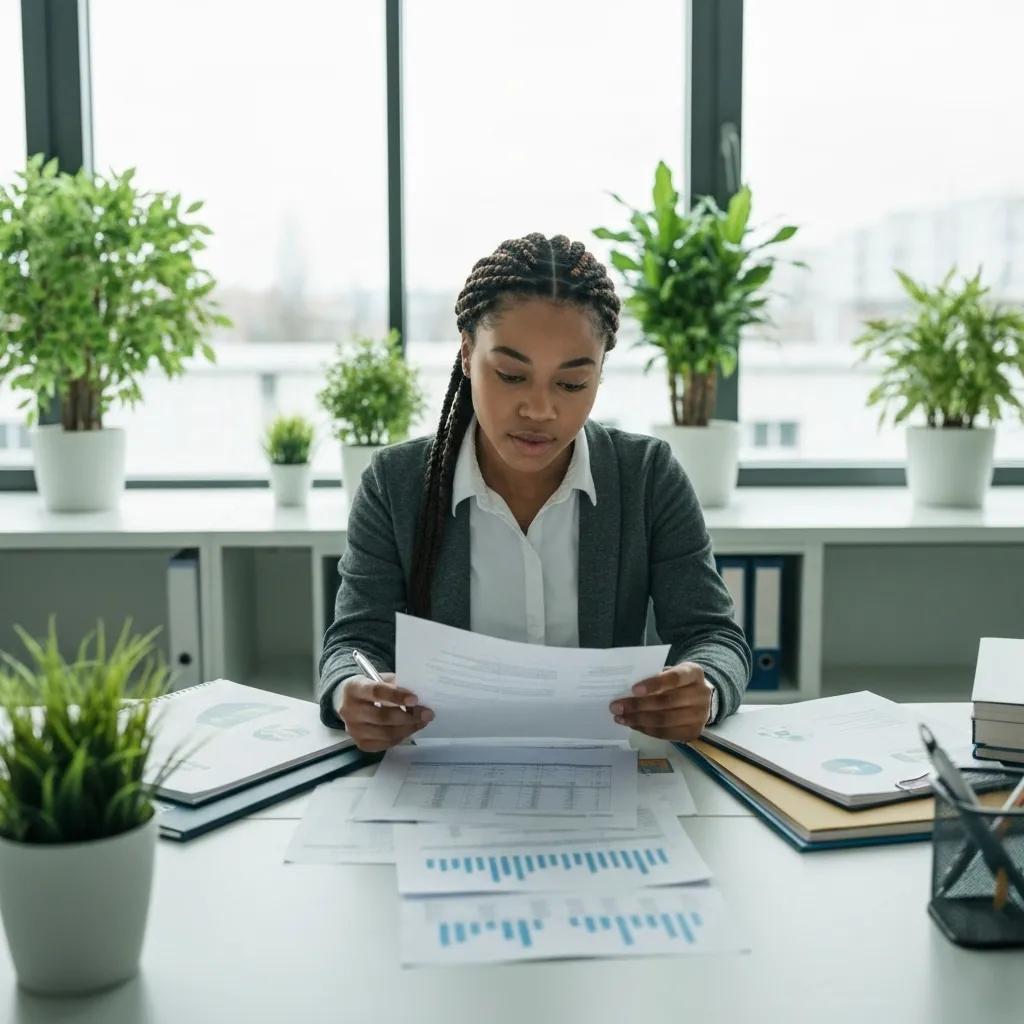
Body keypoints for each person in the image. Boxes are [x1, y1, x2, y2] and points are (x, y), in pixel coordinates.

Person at [318, 232, 751, 752]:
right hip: (439, 778)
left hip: (603, 778)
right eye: (510, 375)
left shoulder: (646, 477)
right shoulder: (395, 483)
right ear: (465, 352)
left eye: (571, 384)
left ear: (599, 375)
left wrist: (705, 689)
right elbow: (353, 643)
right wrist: (352, 693)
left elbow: (715, 636)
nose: (540, 410)